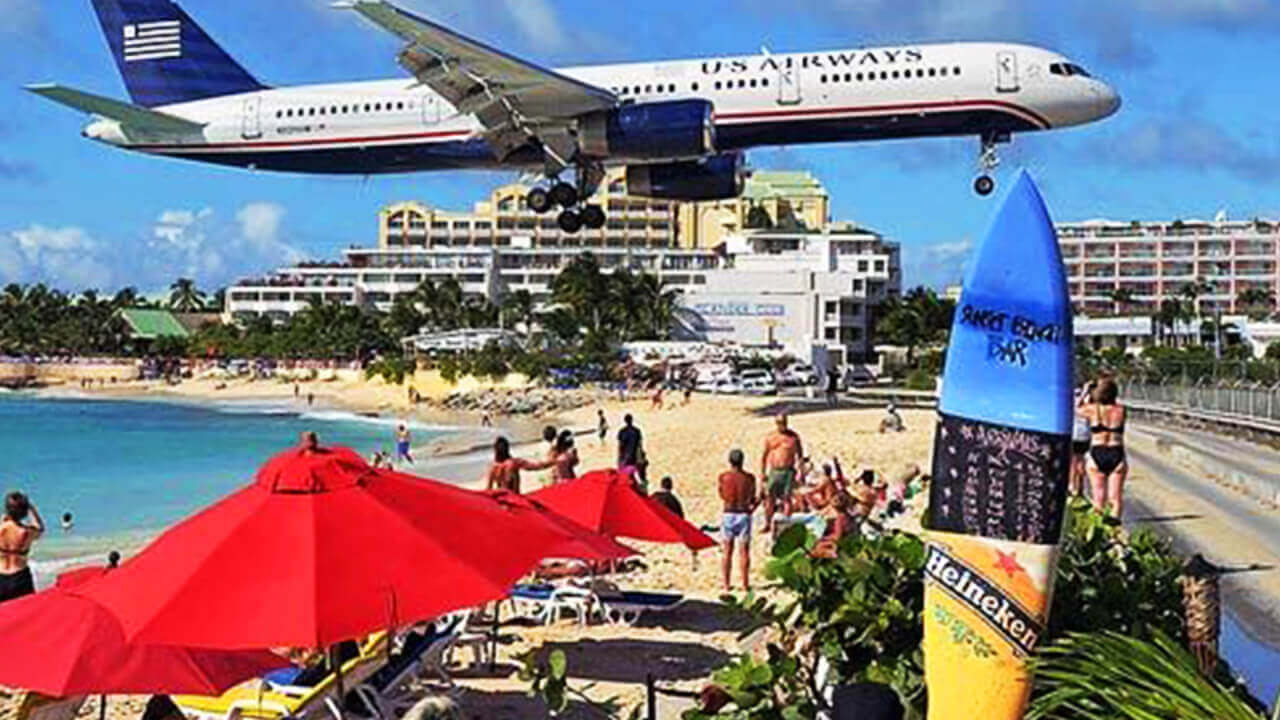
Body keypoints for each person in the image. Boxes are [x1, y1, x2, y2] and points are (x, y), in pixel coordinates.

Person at [1085, 377, 1128, 520]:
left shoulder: (1092, 409)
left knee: (1098, 499)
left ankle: (1099, 531)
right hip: (1116, 452)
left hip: (1098, 450)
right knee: (1115, 499)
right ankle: (1114, 532)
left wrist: (1086, 391)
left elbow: (1075, 408)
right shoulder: (1121, 410)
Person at [718, 449, 758, 592]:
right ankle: (745, 584)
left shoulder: (724, 477)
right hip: (744, 514)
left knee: (727, 551)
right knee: (744, 551)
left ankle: (726, 584)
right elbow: (753, 498)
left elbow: (722, 494)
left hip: (728, 513)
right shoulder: (749, 478)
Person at [760, 412, 804, 533]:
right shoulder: (770, 437)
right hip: (774, 471)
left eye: (783, 422)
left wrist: (801, 472)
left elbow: (800, 456)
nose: (781, 425)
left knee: (787, 499)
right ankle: (767, 523)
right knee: (769, 498)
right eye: (779, 423)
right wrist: (762, 473)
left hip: (788, 471)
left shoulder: (793, 437)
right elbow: (764, 456)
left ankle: (785, 524)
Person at [0, 491, 44, 603]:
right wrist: (32, 509)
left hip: (1, 577)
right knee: (27, 614)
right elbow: (40, 528)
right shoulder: (26, 532)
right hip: (20, 577)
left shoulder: (1, 529)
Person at [485, 436, 553, 494]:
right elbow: (536, 466)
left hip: (501, 499)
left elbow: (488, 489)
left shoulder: (492, 467)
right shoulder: (514, 463)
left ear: (495, 450)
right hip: (514, 498)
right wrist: (553, 461)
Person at [1069, 382, 1094, 498]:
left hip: (1076, 435)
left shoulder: (1076, 401)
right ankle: (1078, 488)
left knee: (1074, 463)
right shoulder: (1090, 401)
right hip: (1084, 435)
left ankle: (1074, 487)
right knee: (1079, 462)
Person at [617, 414, 644, 482]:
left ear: (625, 421)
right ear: (632, 420)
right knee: (637, 477)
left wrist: (619, 459)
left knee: (625, 478)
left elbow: (620, 446)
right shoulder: (637, 431)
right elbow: (639, 445)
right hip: (634, 456)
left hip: (625, 457)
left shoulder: (622, 432)